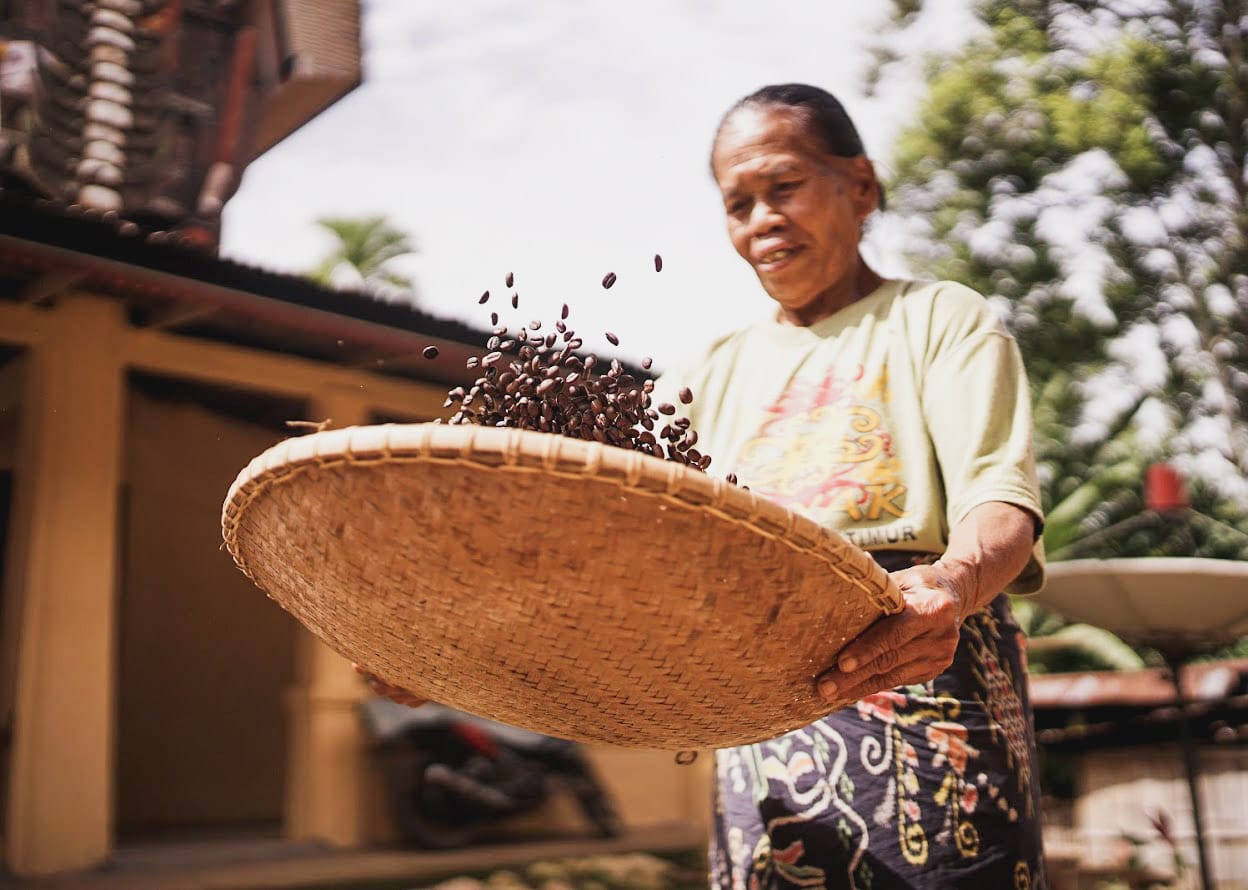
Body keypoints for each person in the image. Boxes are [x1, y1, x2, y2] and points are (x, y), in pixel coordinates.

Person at [368, 82, 1048, 889]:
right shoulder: (704, 374)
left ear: (859, 186)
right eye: (739, 203)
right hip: (758, 722)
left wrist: (953, 582)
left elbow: (997, 500)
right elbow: (617, 561)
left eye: (784, 186)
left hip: (928, 690)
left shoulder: (939, 318)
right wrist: (453, 651)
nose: (762, 219)